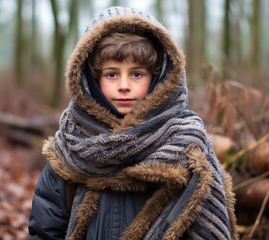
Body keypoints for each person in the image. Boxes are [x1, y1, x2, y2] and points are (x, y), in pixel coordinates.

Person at [28, 6, 238, 240]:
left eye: (137, 74)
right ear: (91, 80)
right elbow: (45, 232)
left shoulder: (188, 146)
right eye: (112, 74)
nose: (124, 85)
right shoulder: (69, 149)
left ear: (158, 78)